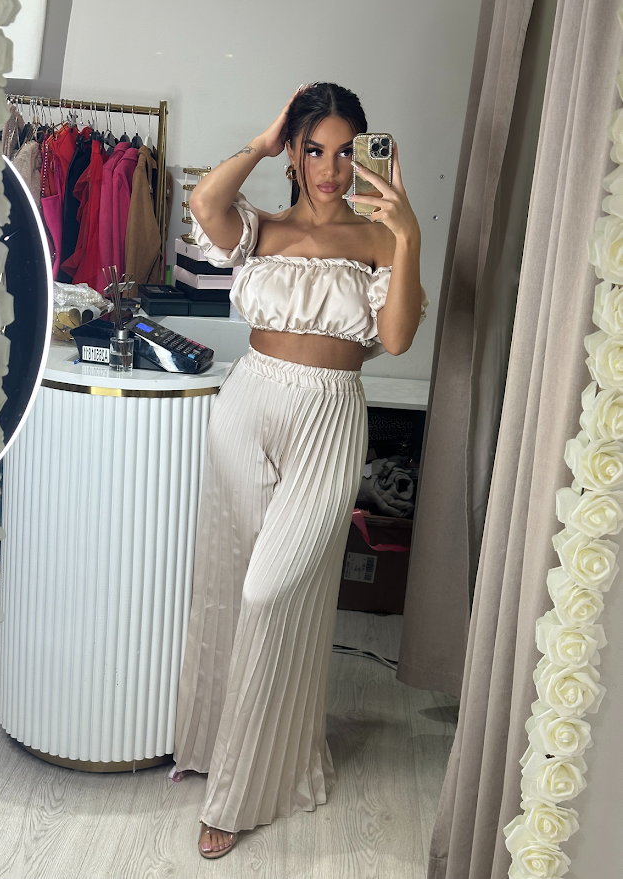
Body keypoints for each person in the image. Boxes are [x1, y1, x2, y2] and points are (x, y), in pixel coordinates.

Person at [170, 82, 428, 859]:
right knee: (231, 582)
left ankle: (239, 792)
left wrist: (409, 237)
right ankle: (216, 745)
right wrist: (259, 140)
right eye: (313, 149)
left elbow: (398, 338)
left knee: (271, 590)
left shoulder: (379, 238)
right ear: (291, 151)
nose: (330, 167)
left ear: (365, 156)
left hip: (329, 414)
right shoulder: (262, 227)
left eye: (346, 151)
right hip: (247, 405)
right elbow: (204, 204)